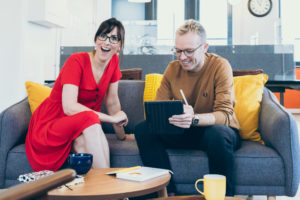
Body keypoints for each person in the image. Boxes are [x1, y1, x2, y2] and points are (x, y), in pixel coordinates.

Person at [134, 19, 241, 196]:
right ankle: (166, 193)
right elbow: (158, 108)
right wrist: (173, 116)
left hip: (215, 132)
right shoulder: (172, 68)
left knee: (218, 134)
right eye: (178, 51)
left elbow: (225, 115)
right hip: (184, 130)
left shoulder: (220, 66)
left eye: (189, 51)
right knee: (144, 129)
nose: (182, 57)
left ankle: (222, 197)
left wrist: (194, 118)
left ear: (205, 47)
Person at [26, 18, 132, 172]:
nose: (107, 42)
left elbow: (112, 101)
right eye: (103, 35)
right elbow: (69, 107)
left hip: (83, 125)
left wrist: (122, 136)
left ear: (120, 45)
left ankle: (104, 191)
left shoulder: (113, 61)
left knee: (82, 144)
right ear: (96, 40)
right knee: (91, 119)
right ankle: (112, 190)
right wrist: (111, 119)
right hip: (52, 124)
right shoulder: (76, 61)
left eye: (114, 38)